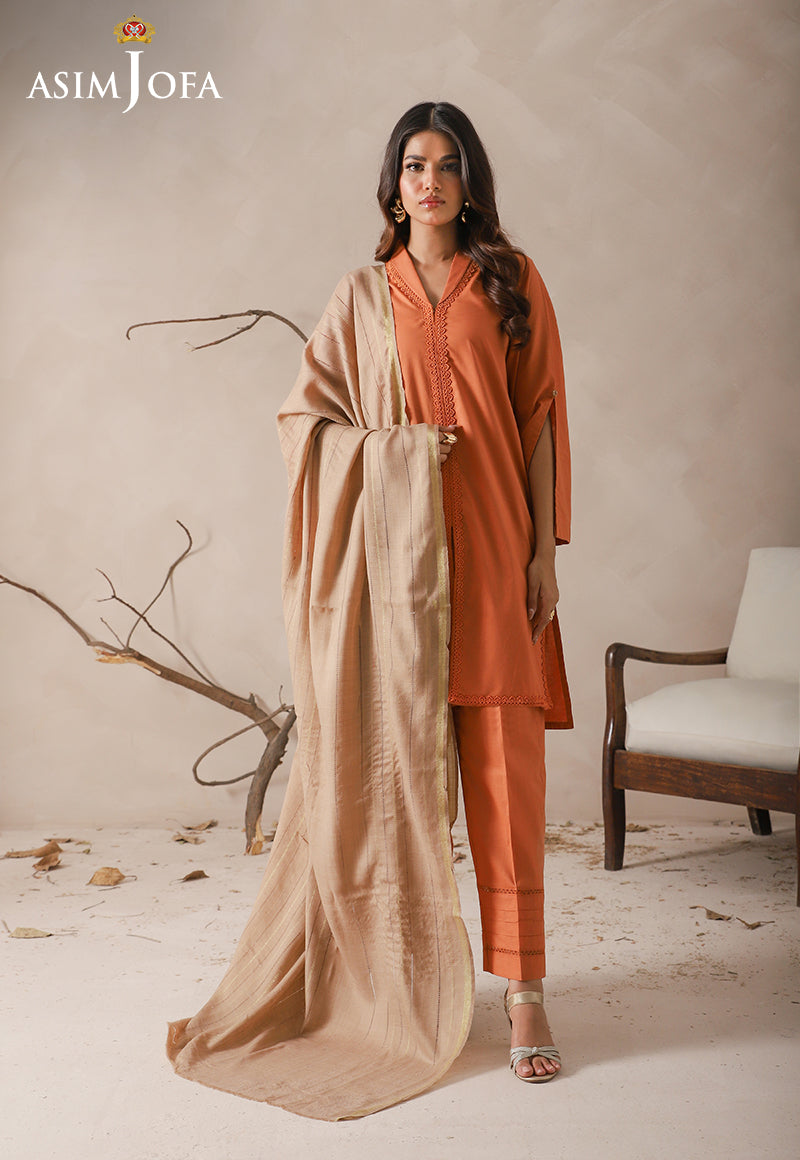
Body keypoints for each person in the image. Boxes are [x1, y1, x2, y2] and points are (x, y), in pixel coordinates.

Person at [166, 101, 571, 1120]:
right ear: (392, 185)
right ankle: (395, 981)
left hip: (493, 555)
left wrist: (540, 553)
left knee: (506, 778)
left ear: (469, 182)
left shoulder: (513, 282)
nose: (428, 181)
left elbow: (536, 419)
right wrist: (393, 454)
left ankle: (524, 992)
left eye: (446, 164)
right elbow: (303, 422)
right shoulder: (358, 296)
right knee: (390, 773)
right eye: (412, 165)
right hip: (394, 578)